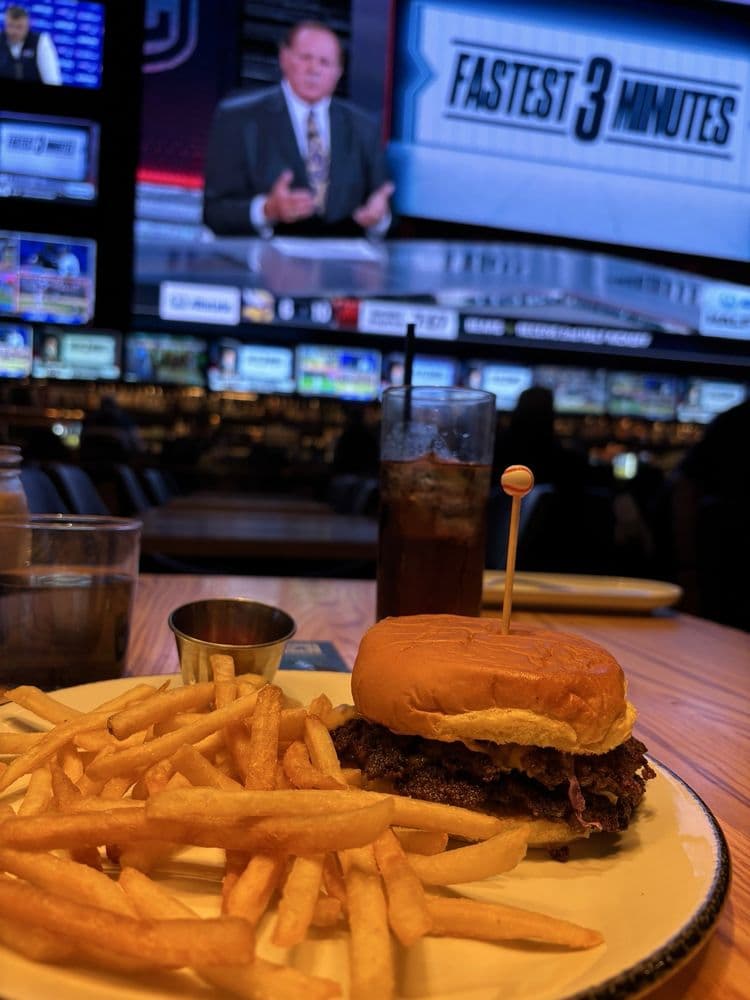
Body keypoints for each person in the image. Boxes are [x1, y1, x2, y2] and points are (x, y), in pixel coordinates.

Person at [203, 20, 394, 238]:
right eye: (305, 58)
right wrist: (267, 209)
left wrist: (379, 218)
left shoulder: (363, 126)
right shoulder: (239, 117)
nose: (314, 69)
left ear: (338, 72)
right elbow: (214, 213)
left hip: (340, 264)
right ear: (284, 58)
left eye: (324, 62)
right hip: (263, 261)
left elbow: (383, 206)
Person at [0, 5, 62, 84]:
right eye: (10, 26)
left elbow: (52, 80)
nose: (14, 32)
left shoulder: (41, 42)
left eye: (19, 27)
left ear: (28, 26)